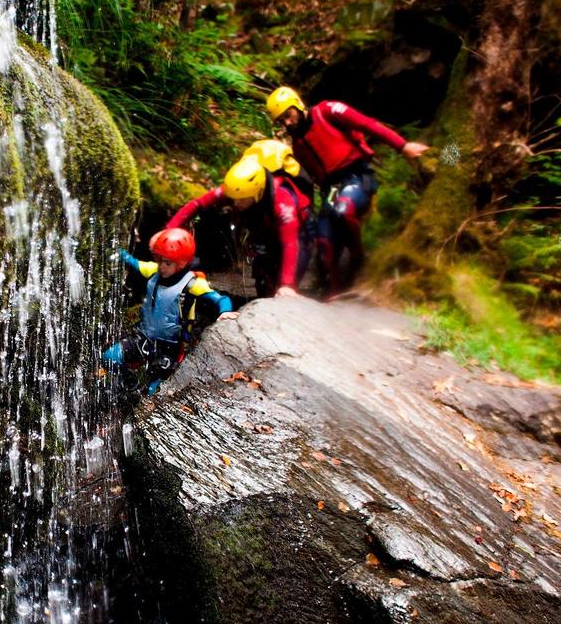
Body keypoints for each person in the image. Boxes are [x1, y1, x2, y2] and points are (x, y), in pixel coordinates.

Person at [265, 86, 429, 294]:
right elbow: (311, 182)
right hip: (332, 189)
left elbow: (367, 124)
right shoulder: (298, 145)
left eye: (288, 115)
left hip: (357, 176)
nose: (287, 123)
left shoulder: (328, 111)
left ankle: (359, 260)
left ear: (297, 105)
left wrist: (402, 146)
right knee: (323, 241)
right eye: (281, 121)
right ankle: (334, 294)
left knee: (342, 211)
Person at [103, 228, 235, 395]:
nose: (162, 267)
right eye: (160, 261)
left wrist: (225, 312)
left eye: (168, 263)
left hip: (170, 347)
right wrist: (110, 245)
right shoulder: (153, 271)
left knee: (154, 391)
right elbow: (131, 261)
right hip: (144, 339)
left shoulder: (192, 283)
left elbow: (221, 299)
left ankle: (145, 393)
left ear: (181, 263)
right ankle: (132, 387)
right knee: (110, 357)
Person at [166, 153, 313, 298]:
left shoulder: (282, 202)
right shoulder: (236, 191)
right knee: (263, 277)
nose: (235, 203)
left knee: (284, 284)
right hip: (266, 227)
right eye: (233, 199)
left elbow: (290, 244)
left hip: (299, 234)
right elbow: (197, 204)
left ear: (257, 193)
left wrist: (287, 284)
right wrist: (168, 231)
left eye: (241, 200)